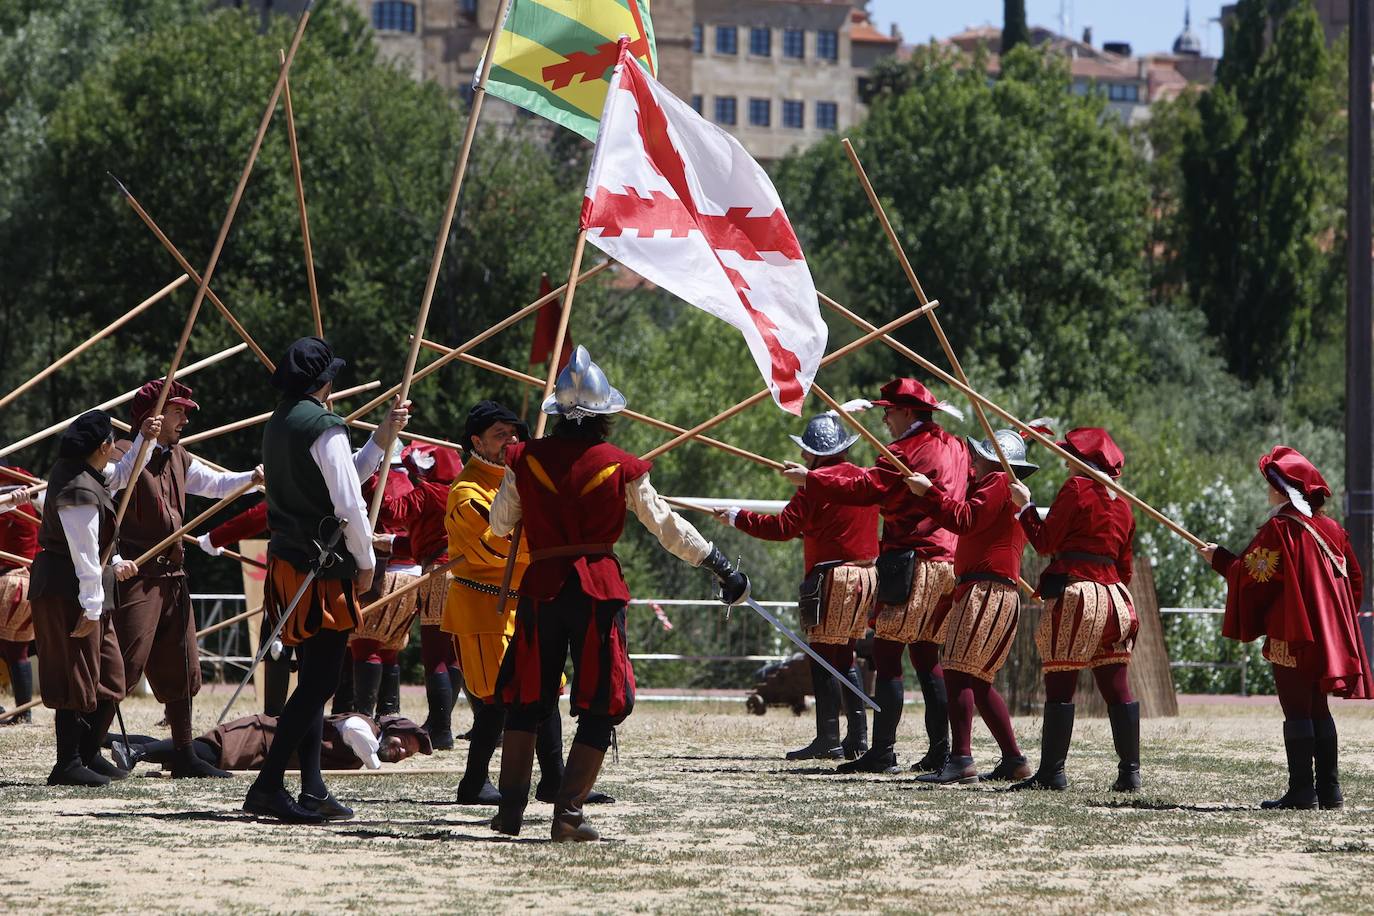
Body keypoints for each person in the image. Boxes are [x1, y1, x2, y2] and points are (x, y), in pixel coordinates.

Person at [487, 347, 747, 841]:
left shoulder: (525, 459)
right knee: (601, 702)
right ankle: (566, 818)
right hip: (595, 593)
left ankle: (510, 813)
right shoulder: (621, 466)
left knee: (526, 698)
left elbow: (501, 526)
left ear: (560, 415)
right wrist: (716, 563)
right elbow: (665, 527)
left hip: (542, 590)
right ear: (605, 417)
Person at [241, 337, 409, 824]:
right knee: (318, 684)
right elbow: (350, 504)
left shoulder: (280, 423)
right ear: (325, 382)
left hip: (291, 566)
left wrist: (380, 438)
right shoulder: (324, 426)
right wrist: (365, 561)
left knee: (313, 682)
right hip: (322, 570)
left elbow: (340, 482)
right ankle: (269, 785)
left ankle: (312, 788)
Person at [786, 379, 969, 775]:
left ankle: (883, 750)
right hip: (949, 561)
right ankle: (941, 750)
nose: (884, 417)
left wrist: (811, 479)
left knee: (887, 655)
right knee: (925, 655)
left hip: (914, 560)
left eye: (889, 410)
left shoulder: (904, 452)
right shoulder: (956, 446)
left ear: (907, 412)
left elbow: (865, 487)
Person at [444, 401, 610, 808]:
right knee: (501, 697)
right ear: (476, 442)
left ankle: (551, 780)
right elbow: (492, 549)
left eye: (514, 434)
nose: (511, 441)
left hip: (522, 603)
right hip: (483, 609)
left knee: (543, 687)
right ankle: (476, 782)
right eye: (500, 435)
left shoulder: (520, 479)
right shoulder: (465, 492)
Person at [1199, 446, 1373, 809]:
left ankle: (1302, 791)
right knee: (1318, 708)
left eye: (1270, 484)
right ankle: (1329, 790)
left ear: (1282, 488)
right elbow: (1355, 578)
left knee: (1297, 710)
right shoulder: (1331, 528)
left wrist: (1219, 559)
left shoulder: (1280, 528)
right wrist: (1334, 621)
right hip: (1325, 637)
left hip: (1292, 634)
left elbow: (1253, 574)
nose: (1267, 490)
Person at [113, 378, 263, 779]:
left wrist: (252, 478)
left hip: (173, 576)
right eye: (179, 411)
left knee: (182, 666)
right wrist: (144, 444)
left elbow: (214, 484)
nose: (185, 420)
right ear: (154, 416)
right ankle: (83, 748)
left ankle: (183, 752)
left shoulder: (178, 455)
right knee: (123, 666)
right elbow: (111, 491)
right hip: (137, 576)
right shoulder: (124, 454)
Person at [714, 410, 878, 760]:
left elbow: (782, 528)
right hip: (866, 576)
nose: (803, 456)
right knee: (844, 656)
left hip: (834, 578)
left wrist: (736, 516)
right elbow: (823, 525)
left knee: (822, 658)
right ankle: (857, 737)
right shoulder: (860, 478)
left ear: (819, 452)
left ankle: (829, 738)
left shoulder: (814, 486)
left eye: (807, 450)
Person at [905, 427, 1046, 784]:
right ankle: (1014, 759)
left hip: (987, 591)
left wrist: (928, 494)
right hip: (990, 591)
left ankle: (962, 759)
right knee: (977, 681)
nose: (973, 460)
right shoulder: (1001, 488)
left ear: (994, 461)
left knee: (956, 670)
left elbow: (964, 520)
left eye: (979, 455)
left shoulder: (997, 483)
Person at [29, 408, 160, 786]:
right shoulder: (78, 490)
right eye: (111, 446)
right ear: (103, 446)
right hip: (66, 589)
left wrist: (144, 440)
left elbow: (123, 476)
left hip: (87, 589)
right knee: (74, 675)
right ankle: (67, 763)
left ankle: (88, 753)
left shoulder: (85, 473)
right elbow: (85, 556)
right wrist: (91, 607)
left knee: (110, 675)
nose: (112, 453)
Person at [1007, 427, 1139, 792]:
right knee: (1116, 686)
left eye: (1069, 455)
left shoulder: (1076, 488)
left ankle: (1052, 771)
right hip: (1117, 598)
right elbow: (1125, 566)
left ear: (1083, 461)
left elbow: (1046, 542)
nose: (1064, 460)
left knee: (1061, 685)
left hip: (1080, 595)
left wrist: (1025, 508)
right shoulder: (1124, 503)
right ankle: (1130, 772)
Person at [372, 442, 466, 747]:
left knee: (435, 654)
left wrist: (376, 480)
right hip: (466, 573)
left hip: (439, 573)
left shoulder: (430, 492)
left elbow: (391, 511)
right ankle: (441, 725)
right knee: (452, 655)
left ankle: (440, 728)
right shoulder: (464, 490)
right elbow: (420, 539)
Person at [111, 712, 431, 773]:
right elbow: (357, 740)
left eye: (407, 756)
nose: (401, 752)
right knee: (204, 753)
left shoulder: (368, 741)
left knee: (192, 751)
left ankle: (105, 740)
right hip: (262, 736)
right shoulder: (363, 727)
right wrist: (377, 765)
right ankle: (134, 751)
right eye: (404, 742)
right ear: (391, 728)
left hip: (268, 754)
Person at [349, 444, 418, 720]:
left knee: (365, 645)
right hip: (412, 577)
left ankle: (364, 716)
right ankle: (389, 715)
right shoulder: (412, 483)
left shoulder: (373, 483)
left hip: (382, 574)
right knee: (389, 648)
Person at [0, 468, 40, 723]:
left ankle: (23, 712)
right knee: (16, 651)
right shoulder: (27, 495)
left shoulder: (11, 500)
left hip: (11, 580)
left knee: (16, 651)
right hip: (30, 580)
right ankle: (22, 712)